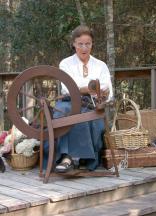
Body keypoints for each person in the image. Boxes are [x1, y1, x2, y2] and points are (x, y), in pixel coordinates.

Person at [44, 25, 113, 172]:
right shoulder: (66, 63)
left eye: (87, 44)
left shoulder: (101, 65)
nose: (84, 48)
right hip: (68, 102)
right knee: (66, 113)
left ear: (92, 44)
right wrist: (90, 88)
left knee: (90, 118)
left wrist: (87, 89)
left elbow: (107, 89)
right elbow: (68, 88)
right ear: (74, 44)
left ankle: (84, 159)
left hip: (92, 104)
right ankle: (67, 157)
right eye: (80, 44)